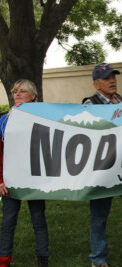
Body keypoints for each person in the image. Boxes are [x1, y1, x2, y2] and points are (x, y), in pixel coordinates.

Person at [83, 63, 122, 267]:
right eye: (106, 78)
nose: (112, 80)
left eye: (113, 76)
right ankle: (98, 258)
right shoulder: (89, 104)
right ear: (96, 83)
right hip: (103, 170)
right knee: (99, 215)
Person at [0, 80, 49, 267]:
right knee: (8, 222)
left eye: (23, 91)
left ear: (33, 96)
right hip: (10, 181)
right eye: (15, 91)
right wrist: (0, 180)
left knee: (38, 220)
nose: (17, 94)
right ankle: (4, 260)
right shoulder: (4, 120)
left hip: (34, 180)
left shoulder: (45, 119)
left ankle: (43, 259)